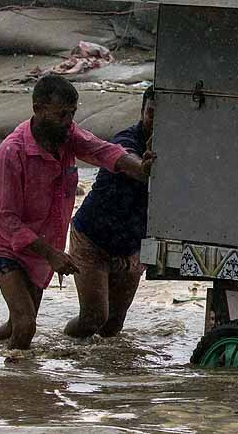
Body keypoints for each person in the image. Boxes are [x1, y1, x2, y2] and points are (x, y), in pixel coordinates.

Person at [0, 75, 155, 350]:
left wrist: (142, 170)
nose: (68, 121)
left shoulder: (67, 136)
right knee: (26, 326)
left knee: (18, 324)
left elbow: (104, 151)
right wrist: (52, 254)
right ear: (38, 109)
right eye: (62, 114)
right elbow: (6, 218)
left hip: (42, 247)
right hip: (5, 245)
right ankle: (13, 387)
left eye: (72, 114)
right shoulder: (11, 153)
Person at [64, 86, 156, 339]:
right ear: (141, 113)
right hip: (92, 239)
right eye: (151, 114)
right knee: (93, 318)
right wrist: (146, 168)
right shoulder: (126, 140)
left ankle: (106, 374)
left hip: (131, 245)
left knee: (114, 325)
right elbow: (129, 161)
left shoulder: (181, 151)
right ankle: (63, 352)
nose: (156, 121)